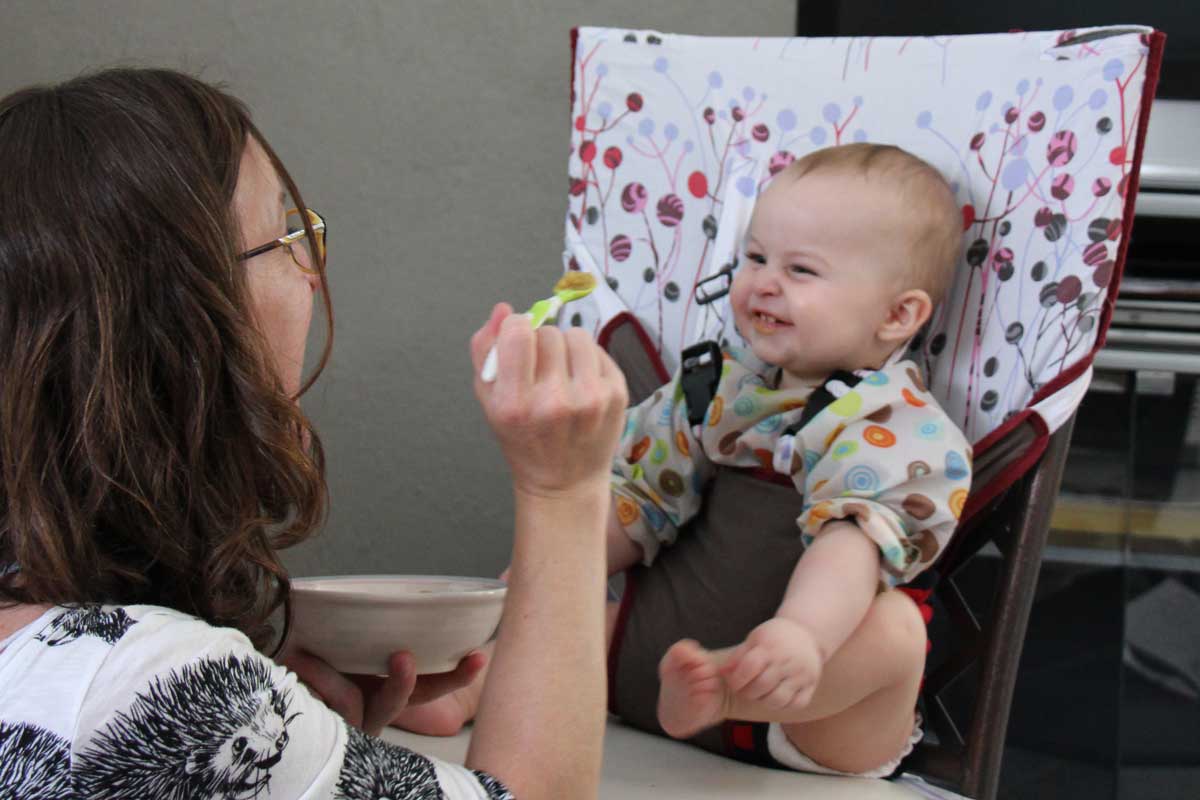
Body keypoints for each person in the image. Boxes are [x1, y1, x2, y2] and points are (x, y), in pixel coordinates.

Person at [0, 68, 627, 800]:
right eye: (286, 238)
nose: (313, 272)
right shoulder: (154, 689)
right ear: (178, 321)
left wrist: (296, 736)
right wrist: (564, 489)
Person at [396, 143, 972, 779]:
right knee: (571, 617)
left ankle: (732, 686)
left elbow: (853, 544)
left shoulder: (893, 424)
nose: (764, 282)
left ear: (899, 314)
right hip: (657, 660)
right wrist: (539, 576)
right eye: (755, 257)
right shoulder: (712, 391)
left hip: (806, 713)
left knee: (896, 632)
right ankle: (469, 690)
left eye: (801, 271)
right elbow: (637, 497)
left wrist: (802, 635)